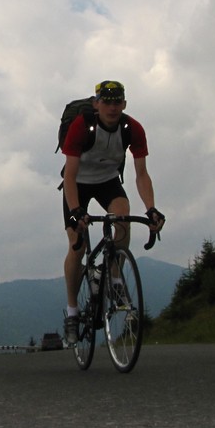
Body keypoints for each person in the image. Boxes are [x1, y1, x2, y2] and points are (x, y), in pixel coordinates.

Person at [60, 80, 165, 344]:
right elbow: (69, 175)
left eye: (117, 101)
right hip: (78, 184)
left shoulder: (132, 129)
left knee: (123, 218)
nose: (112, 107)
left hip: (108, 181)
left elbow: (142, 174)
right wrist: (75, 211)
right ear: (96, 104)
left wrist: (151, 209)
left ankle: (114, 281)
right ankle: (72, 311)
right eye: (106, 101)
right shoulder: (81, 126)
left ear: (124, 104)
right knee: (77, 247)